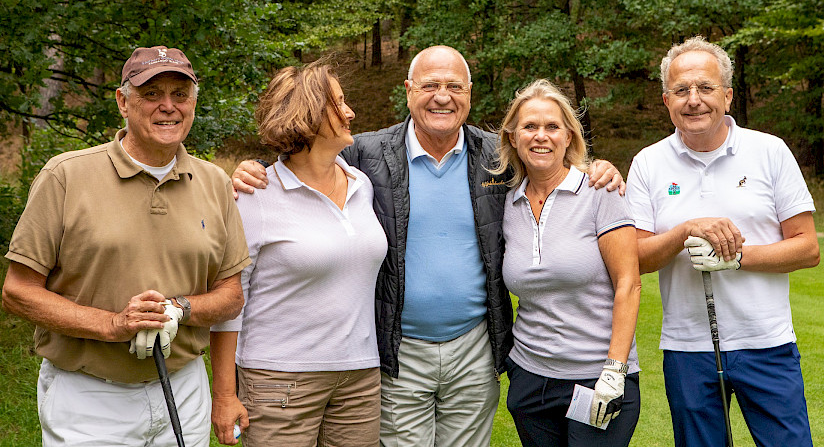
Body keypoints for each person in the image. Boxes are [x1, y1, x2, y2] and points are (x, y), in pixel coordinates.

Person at [231, 45, 625, 447]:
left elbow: (550, 161)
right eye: (430, 85)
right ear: (408, 90)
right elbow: (300, 157)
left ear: (469, 93)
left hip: (474, 348)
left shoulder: (497, 154)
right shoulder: (366, 155)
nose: (443, 96)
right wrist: (252, 169)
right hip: (400, 351)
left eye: (454, 86)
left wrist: (595, 168)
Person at [1, 46, 250, 447]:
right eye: (151, 94)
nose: (168, 107)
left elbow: (231, 295)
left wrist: (179, 309)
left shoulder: (214, 182)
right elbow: (17, 291)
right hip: (89, 394)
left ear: (193, 103)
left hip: (183, 386)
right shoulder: (65, 176)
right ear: (123, 101)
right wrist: (114, 325)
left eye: (180, 94)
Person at [625, 37, 820, 447]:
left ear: (727, 96)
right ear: (666, 101)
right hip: (687, 347)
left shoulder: (769, 151)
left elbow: (807, 247)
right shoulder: (648, 162)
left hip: (766, 342)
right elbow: (637, 257)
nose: (693, 100)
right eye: (681, 90)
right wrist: (683, 233)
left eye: (705, 88)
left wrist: (735, 258)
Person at [209, 62, 388, 447]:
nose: (350, 112)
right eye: (339, 104)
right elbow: (229, 304)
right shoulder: (254, 195)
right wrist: (224, 395)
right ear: (307, 116)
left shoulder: (362, 185)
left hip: (359, 376)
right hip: (280, 382)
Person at [492, 79, 641, 447]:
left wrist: (614, 370)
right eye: (530, 126)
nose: (540, 136)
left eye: (552, 127)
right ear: (513, 137)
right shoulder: (506, 204)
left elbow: (629, 283)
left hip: (596, 378)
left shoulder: (600, 192)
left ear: (569, 137)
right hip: (530, 378)